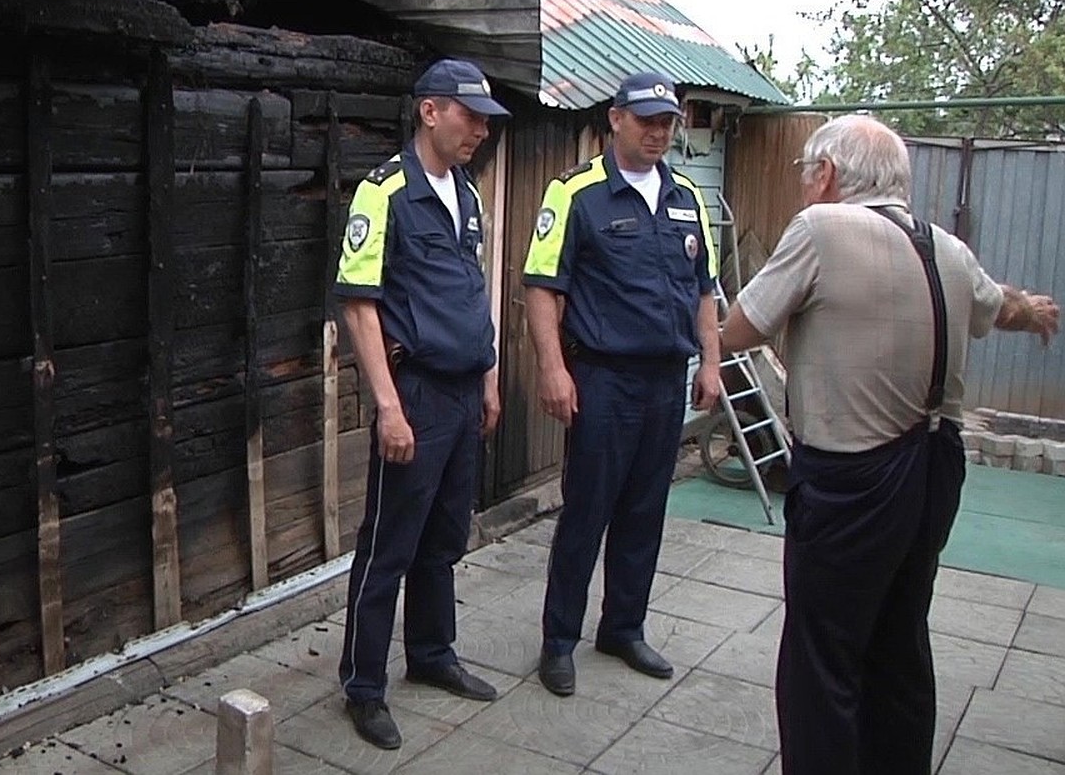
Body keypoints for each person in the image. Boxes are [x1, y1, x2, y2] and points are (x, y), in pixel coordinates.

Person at [720, 115, 1060, 775]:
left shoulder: (822, 229)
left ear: (828, 175)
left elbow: (740, 329)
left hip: (854, 476)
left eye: (804, 174)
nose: (801, 186)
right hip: (936, 466)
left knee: (823, 655)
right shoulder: (948, 249)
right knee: (900, 639)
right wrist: (1035, 311)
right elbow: (1000, 308)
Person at [522, 72, 722, 696]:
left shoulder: (687, 196)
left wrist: (711, 364)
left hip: (667, 379)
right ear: (615, 119)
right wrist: (553, 369)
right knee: (586, 511)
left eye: (667, 122)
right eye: (646, 121)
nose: (659, 132)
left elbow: (704, 290)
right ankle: (559, 641)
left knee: (645, 510)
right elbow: (540, 287)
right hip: (603, 378)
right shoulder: (575, 193)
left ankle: (624, 627)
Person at [334, 58, 507, 749]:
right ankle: (364, 687)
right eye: (471, 117)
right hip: (416, 393)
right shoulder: (385, 193)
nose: (481, 132)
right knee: (388, 546)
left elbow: (474, 292)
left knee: (444, 539)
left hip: (466, 393)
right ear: (430, 111)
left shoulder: (467, 195)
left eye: (488, 122)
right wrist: (388, 407)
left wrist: (491, 378)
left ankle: (433, 655)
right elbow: (358, 304)